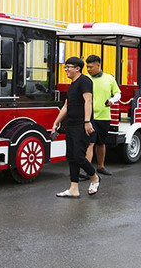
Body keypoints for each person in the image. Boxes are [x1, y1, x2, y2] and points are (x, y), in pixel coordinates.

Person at [51, 57, 100, 197]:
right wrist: (56, 123)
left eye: (68, 67)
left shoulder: (84, 81)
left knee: (79, 156)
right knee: (71, 157)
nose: (66, 70)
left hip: (81, 125)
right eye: (65, 67)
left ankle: (94, 177)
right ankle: (74, 188)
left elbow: (88, 101)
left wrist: (87, 122)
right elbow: (66, 106)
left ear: (77, 68)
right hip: (71, 125)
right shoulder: (72, 85)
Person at [84, 54, 121, 177]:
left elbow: (118, 94)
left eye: (91, 67)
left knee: (101, 143)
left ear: (98, 65)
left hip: (104, 117)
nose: (88, 69)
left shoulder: (109, 78)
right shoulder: (86, 79)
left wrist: (112, 100)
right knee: (90, 142)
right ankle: (87, 170)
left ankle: (100, 166)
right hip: (90, 117)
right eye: (87, 67)